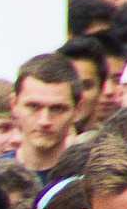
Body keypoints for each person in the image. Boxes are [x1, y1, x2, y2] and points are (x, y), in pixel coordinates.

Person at [10, 54, 83, 182]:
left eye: (57, 109)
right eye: (33, 106)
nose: (44, 121)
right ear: (14, 105)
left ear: (77, 110)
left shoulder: (89, 181)